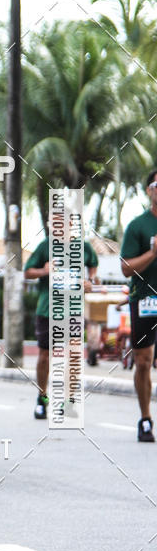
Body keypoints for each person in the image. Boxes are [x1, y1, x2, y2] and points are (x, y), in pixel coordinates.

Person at [24, 232, 98, 420]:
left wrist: (91, 280)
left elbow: (93, 266)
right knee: (45, 357)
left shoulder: (84, 246)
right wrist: (44, 271)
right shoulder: (45, 246)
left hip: (73, 310)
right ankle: (42, 398)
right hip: (48, 310)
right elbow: (28, 272)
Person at [120, 169, 157, 441]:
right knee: (143, 362)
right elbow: (125, 269)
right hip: (145, 300)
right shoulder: (138, 225)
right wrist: (152, 254)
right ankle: (145, 419)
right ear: (149, 190)